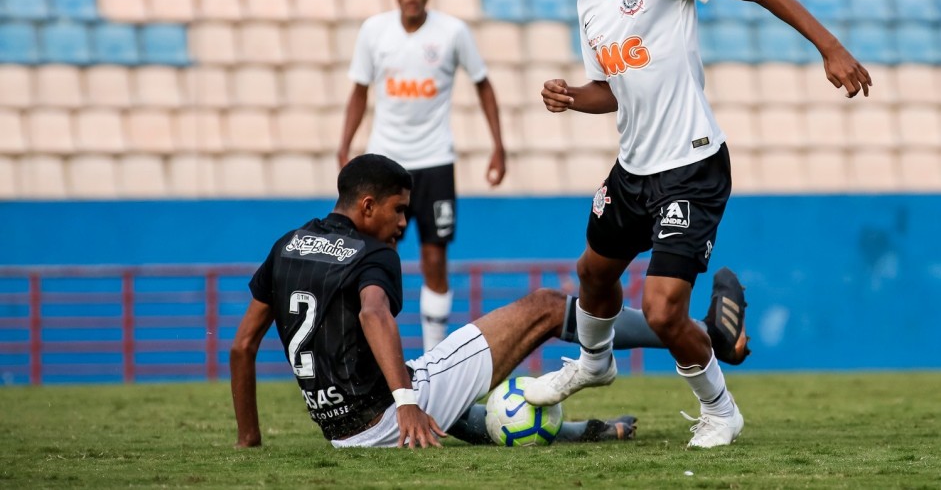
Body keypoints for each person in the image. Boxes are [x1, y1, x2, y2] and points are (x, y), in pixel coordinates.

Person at [523, 0, 871, 448]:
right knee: (592, 274)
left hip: (691, 166)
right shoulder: (590, 6)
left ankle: (721, 410)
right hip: (632, 171)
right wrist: (570, 97)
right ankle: (594, 363)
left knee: (663, 311)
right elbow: (610, 92)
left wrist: (830, 48)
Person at [229, 154, 748, 448]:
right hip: (389, 414)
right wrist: (406, 404)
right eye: (399, 210)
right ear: (367, 206)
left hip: (341, 433)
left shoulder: (287, 245)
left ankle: (581, 431)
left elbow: (242, 346)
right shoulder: (372, 254)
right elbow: (372, 312)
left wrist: (249, 439)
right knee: (545, 305)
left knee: (446, 402)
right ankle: (703, 333)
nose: (404, 225)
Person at [338, 0, 506, 352]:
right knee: (375, 256)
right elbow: (359, 91)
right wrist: (344, 146)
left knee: (434, 257)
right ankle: (373, 349)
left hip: (434, 161)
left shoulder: (452, 32)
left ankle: (434, 354)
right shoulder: (374, 32)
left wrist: (498, 146)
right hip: (384, 163)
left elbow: (483, 84)